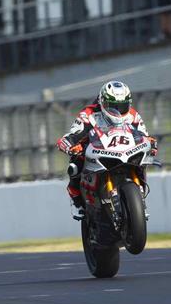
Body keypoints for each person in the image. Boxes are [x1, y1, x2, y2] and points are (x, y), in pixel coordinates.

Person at [56, 81, 156, 220]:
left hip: (126, 150)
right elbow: (73, 135)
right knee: (75, 163)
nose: (118, 110)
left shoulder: (132, 115)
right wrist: (69, 145)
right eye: (113, 106)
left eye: (122, 106)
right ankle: (76, 200)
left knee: (143, 161)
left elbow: (144, 135)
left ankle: (140, 200)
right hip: (99, 151)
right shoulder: (89, 114)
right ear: (102, 102)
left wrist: (151, 143)